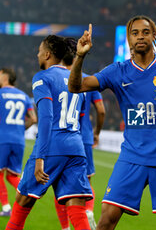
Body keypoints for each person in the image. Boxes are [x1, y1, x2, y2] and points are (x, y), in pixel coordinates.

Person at [69, 16, 156, 230]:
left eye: (145, 32)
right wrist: (80, 56)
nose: (140, 37)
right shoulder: (117, 71)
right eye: (135, 33)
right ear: (128, 39)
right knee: (106, 220)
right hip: (131, 157)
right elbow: (76, 86)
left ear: (154, 35)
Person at [5, 35, 93, 230]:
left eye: (39, 51)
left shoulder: (42, 78)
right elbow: (82, 119)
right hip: (76, 148)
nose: (37, 54)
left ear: (47, 54)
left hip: (52, 146)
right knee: (76, 209)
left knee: (22, 200)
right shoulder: (77, 79)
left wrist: (40, 158)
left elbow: (45, 119)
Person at [54, 37, 106, 230]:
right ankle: (89, 210)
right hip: (82, 137)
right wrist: (97, 133)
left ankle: (65, 227)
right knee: (85, 182)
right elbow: (101, 110)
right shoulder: (87, 79)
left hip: (59, 138)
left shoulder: (54, 77)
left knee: (59, 185)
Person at [0, 68, 37, 216]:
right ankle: (29, 193)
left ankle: (6, 208)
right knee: (12, 175)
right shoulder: (24, 96)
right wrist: (20, 129)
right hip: (19, 140)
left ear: (5, 77)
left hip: (2, 139)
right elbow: (33, 119)